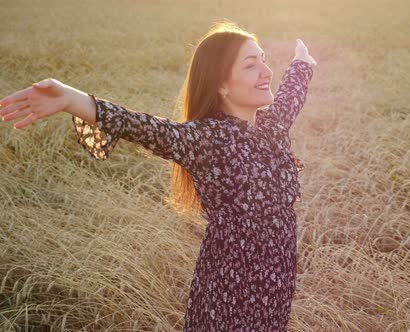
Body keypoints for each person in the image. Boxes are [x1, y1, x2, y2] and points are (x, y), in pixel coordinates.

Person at [0, 21, 317, 332]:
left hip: (276, 285)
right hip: (229, 294)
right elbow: (139, 126)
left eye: (263, 59)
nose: (266, 72)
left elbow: (291, 95)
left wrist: (302, 63)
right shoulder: (203, 139)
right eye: (251, 65)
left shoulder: (270, 128)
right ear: (221, 84)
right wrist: (70, 98)